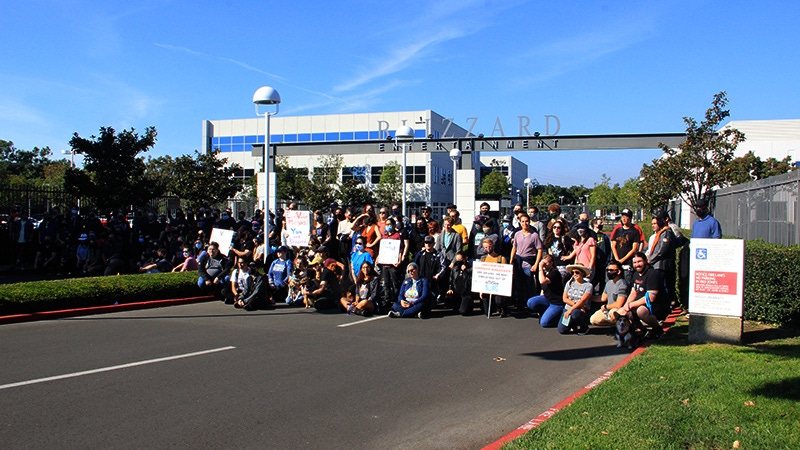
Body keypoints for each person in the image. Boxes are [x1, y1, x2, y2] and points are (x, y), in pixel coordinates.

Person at [615, 252, 667, 339]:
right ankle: (642, 331)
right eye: (634, 262)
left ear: (646, 261)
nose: (637, 265)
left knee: (641, 311)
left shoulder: (653, 274)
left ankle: (657, 329)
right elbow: (633, 293)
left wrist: (630, 305)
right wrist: (625, 307)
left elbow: (651, 298)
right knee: (623, 312)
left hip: (656, 305)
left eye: (639, 262)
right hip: (640, 303)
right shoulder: (635, 274)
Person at [509, 213, 543, 308]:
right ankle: (520, 304)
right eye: (523, 221)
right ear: (520, 223)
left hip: (528, 262)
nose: (525, 223)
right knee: (518, 284)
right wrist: (511, 260)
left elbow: (539, 250)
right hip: (518, 261)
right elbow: (514, 247)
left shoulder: (534, 235)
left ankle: (531, 305)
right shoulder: (517, 234)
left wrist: (536, 264)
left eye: (526, 221)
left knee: (529, 284)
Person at [525, 254, 566, 328]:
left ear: (551, 263)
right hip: (547, 299)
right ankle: (545, 311)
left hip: (556, 302)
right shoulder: (545, 272)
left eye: (545, 263)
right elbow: (543, 288)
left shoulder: (554, 272)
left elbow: (543, 281)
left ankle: (558, 317)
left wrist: (540, 267)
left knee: (544, 323)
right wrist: (539, 305)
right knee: (531, 302)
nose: (544, 265)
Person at [479, 237, 512, 317]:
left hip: (499, 287)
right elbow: (480, 276)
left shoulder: (501, 259)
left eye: (489, 246)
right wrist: (480, 290)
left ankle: (503, 308)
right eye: (485, 247)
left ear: (493, 246)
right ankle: (493, 307)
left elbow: (506, 275)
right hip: (487, 286)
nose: (488, 248)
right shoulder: (483, 260)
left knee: (499, 301)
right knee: (487, 312)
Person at [589, 260, 629, 327]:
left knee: (612, 313)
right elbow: (603, 298)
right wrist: (589, 297)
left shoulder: (622, 284)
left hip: (618, 310)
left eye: (611, 270)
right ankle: (615, 325)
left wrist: (606, 306)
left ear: (618, 271)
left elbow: (619, 304)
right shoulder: (609, 283)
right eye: (607, 270)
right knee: (593, 319)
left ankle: (623, 325)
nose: (609, 272)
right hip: (607, 310)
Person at [610, 208, 644, 286]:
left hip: (627, 264)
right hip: (616, 262)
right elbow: (613, 245)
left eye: (626, 216)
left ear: (630, 218)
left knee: (626, 284)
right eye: (623, 217)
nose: (624, 219)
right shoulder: (618, 230)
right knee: (615, 284)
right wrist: (617, 259)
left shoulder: (634, 231)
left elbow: (634, 249)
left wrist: (622, 260)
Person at [558, 263, 593, 335]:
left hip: (578, 310)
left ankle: (584, 326)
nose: (574, 274)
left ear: (582, 273)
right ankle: (572, 324)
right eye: (572, 272)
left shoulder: (588, 286)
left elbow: (583, 301)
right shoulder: (569, 283)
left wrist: (571, 310)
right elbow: (564, 298)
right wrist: (574, 306)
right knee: (562, 330)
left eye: (577, 272)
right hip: (569, 308)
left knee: (575, 314)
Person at [445, 251, 474, 315]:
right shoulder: (454, 269)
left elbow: (471, 282)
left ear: (464, 259)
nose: (458, 261)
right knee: (448, 297)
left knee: (463, 312)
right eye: (457, 260)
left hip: (466, 293)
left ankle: (469, 304)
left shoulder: (471, 269)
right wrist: (450, 289)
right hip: (456, 292)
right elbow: (451, 280)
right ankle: (455, 305)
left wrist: (466, 271)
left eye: (460, 260)